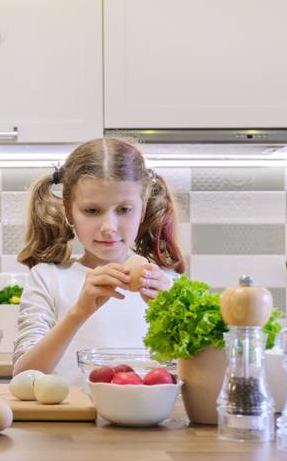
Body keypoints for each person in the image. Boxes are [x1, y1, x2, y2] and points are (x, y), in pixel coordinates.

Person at [12, 138, 186, 384]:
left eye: (124, 210)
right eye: (92, 211)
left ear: (143, 207)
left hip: (149, 419)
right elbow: (23, 376)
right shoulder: (47, 278)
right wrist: (78, 312)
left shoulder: (167, 284)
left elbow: (197, 374)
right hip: (68, 421)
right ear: (68, 209)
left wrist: (173, 314)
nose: (108, 227)